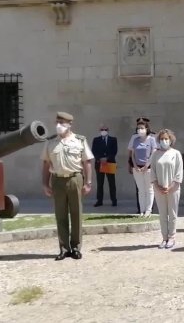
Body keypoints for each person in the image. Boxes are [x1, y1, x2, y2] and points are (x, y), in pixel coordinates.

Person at [41, 112, 94, 261]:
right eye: (57, 122)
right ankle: (64, 248)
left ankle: (76, 247)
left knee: (76, 214)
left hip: (75, 178)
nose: (59, 125)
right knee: (60, 215)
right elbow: (46, 164)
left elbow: (87, 162)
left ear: (69, 124)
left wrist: (88, 182)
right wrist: (45, 183)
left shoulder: (79, 140)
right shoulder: (50, 142)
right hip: (57, 180)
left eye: (63, 123)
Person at [150, 129, 184, 250]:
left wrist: (171, 186)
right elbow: (152, 171)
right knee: (163, 214)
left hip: (173, 188)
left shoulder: (176, 154)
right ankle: (164, 237)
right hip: (159, 188)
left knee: (172, 213)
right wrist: (157, 185)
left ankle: (172, 237)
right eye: (162, 139)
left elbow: (179, 172)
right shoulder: (155, 154)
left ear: (170, 140)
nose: (164, 141)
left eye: (166, 139)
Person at [129, 120, 157, 217]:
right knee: (141, 190)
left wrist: (146, 166)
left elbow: (153, 154)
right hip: (137, 168)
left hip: (148, 168)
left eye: (142, 128)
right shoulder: (135, 140)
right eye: (138, 128)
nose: (140, 130)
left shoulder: (152, 139)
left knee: (149, 189)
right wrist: (135, 166)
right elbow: (132, 154)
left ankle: (148, 210)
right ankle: (142, 210)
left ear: (146, 129)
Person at [91, 124, 118, 207]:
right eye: (102, 129)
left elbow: (115, 151)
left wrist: (107, 158)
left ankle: (114, 200)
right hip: (99, 163)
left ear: (108, 130)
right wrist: (100, 158)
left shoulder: (113, 139)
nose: (104, 131)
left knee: (111, 183)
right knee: (100, 183)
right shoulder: (96, 140)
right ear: (100, 130)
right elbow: (94, 150)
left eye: (105, 129)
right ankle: (99, 200)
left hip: (109, 162)